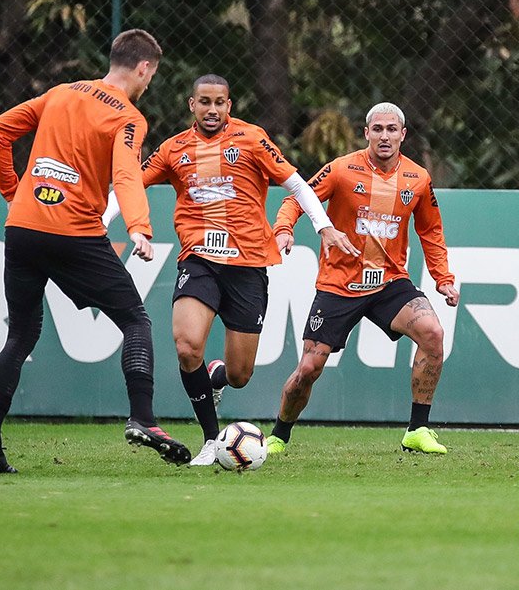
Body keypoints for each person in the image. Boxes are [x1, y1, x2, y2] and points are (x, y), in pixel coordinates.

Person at [107, 74, 357, 466]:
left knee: (241, 374)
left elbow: (295, 184)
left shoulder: (253, 139)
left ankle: (219, 375)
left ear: (229, 105)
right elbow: (128, 185)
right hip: (199, 260)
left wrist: (323, 225)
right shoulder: (174, 150)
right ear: (192, 105)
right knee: (187, 346)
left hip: (248, 266)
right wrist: (100, 224)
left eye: (219, 102)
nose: (211, 110)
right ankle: (211, 439)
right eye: (204, 102)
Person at [0, 29, 191, 473]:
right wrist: (139, 228)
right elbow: (127, 175)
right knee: (135, 318)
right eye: (152, 74)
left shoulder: (59, 93)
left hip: (22, 227)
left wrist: (13, 194)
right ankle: (143, 418)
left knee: (19, 336)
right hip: (74, 232)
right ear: (144, 68)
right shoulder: (129, 117)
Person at [265, 102, 460, 456]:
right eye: (378, 129)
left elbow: (431, 230)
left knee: (432, 333)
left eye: (391, 129)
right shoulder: (342, 170)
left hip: (389, 283)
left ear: (403, 135)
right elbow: (298, 198)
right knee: (309, 368)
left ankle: (417, 430)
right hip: (339, 284)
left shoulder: (418, 178)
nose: (384, 136)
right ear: (366, 133)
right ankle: (279, 435)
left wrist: (442, 277)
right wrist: (284, 229)